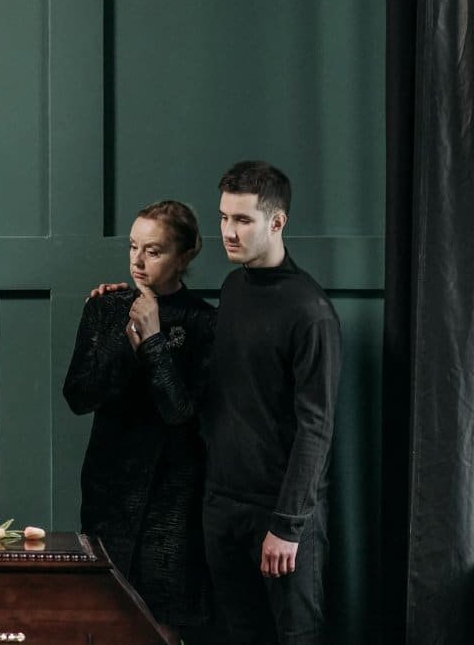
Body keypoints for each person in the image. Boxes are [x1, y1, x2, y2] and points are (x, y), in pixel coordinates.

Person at [65, 200, 215, 643]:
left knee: (160, 622)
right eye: (133, 246)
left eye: (154, 250)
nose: (138, 260)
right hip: (109, 488)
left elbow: (180, 413)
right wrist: (124, 344)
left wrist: (152, 341)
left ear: (185, 255)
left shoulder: (206, 321)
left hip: (172, 495)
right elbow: (79, 396)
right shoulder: (105, 307)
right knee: (105, 615)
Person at [203, 161, 341, 644]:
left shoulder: (310, 310)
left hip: (282, 515)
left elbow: (316, 428)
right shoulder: (233, 288)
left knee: (296, 637)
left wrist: (287, 526)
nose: (228, 231)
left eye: (242, 220)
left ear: (277, 222)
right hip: (222, 506)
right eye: (223, 217)